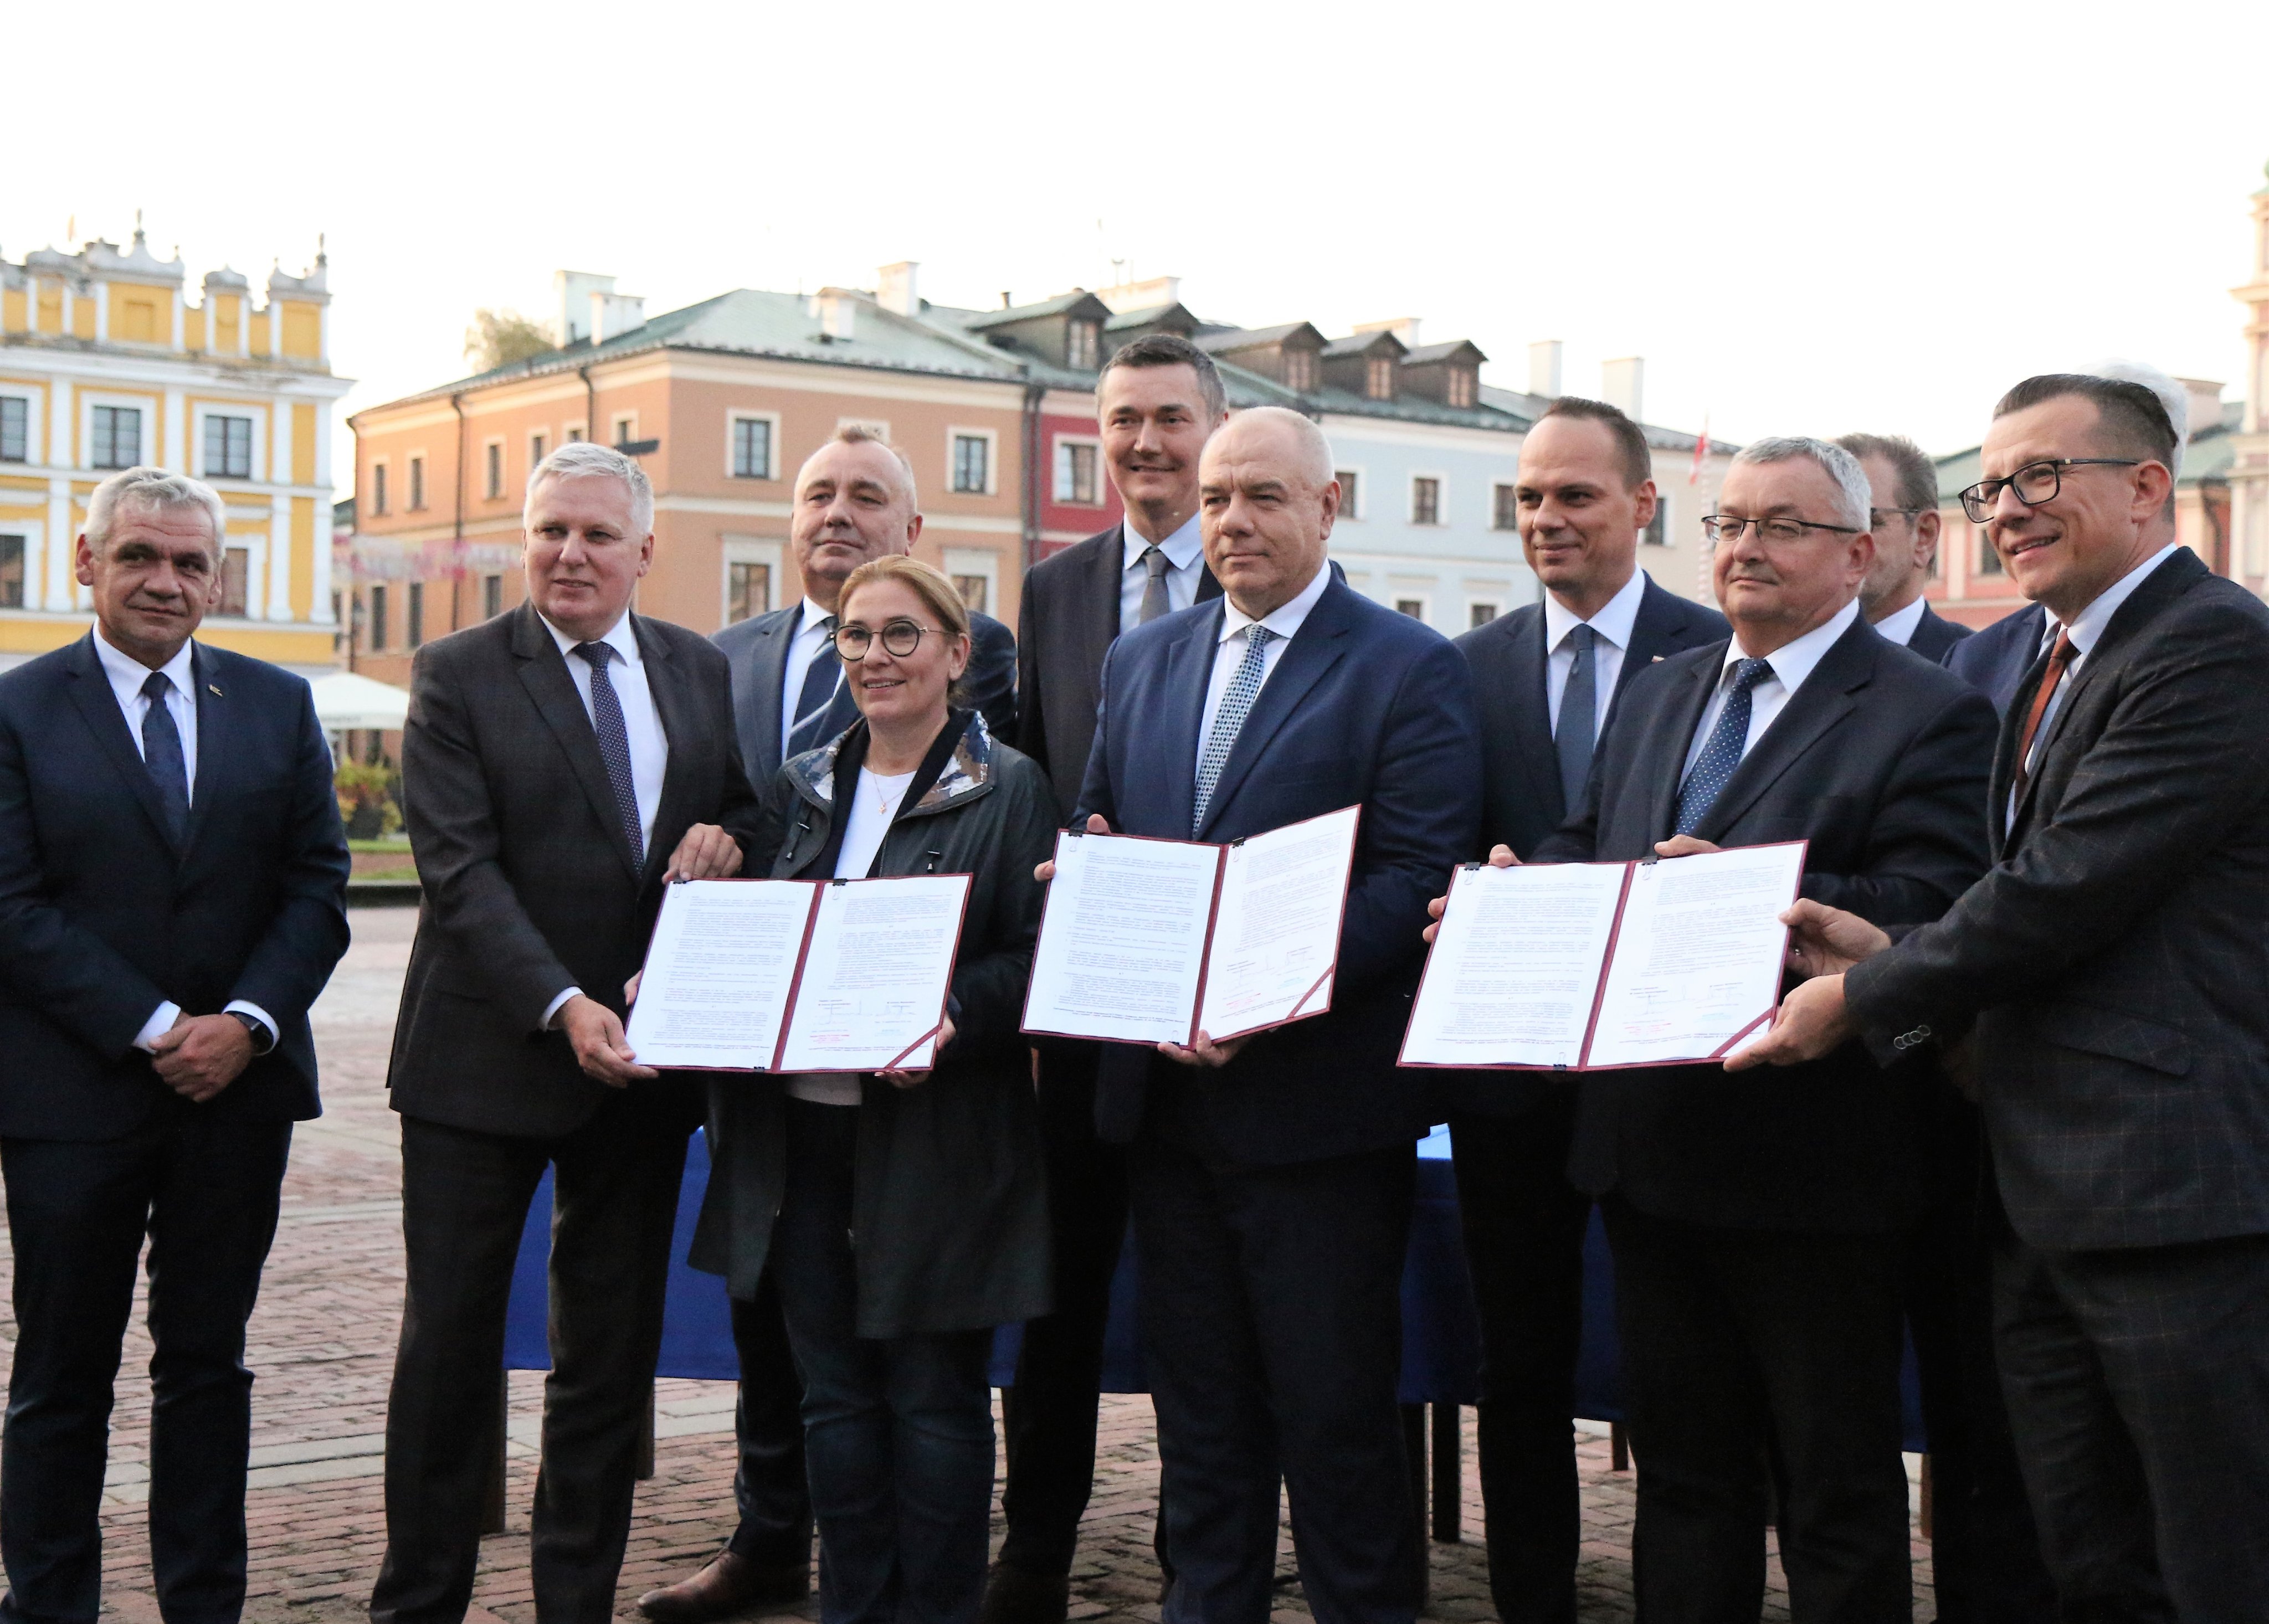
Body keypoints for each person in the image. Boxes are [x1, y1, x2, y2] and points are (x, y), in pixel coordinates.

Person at [1736, 374, 2269, 1623]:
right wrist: (1885, 942)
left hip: (2169, 1199)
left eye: (2040, 477)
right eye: (1991, 487)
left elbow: (2064, 887)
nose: (2008, 511)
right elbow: (2023, 899)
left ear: (2146, 488)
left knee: (2213, 1560)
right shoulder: (2053, 657)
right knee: (2084, 1558)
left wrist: (1867, 991)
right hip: (2044, 1189)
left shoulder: (2209, 646)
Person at [1446, 436, 1998, 1622]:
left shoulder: (1928, 710)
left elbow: (1934, 908)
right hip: (1650, 1150)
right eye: (1729, 524)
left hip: (1815, 1167)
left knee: (1830, 1489)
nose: (1744, 546)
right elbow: (1593, 839)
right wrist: (1511, 884)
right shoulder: (1668, 688)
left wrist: (1748, 894)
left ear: (1857, 556)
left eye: (1781, 526)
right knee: (1684, 1483)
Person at [1062, 407, 1480, 1624]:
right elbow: (1102, 821)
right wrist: (1087, 880)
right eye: (1213, 499)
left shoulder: (1408, 664)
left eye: (1260, 496)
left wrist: (1253, 994)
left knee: (1335, 1419)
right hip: (1166, 1107)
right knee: (1198, 1421)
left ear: (1325, 504)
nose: (1231, 522)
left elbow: (1414, 877)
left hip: (1316, 1117)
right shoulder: (1144, 658)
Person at [371, 443, 766, 1624]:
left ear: (645, 550)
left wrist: (726, 837)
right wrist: (561, 1002)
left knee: (606, 1355)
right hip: (482, 1057)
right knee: (449, 1348)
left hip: (642, 1068)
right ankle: (420, 1599)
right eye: (548, 530)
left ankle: (572, 1600)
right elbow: (458, 869)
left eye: (595, 533)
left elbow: (736, 801)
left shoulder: (696, 668)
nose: (567, 552)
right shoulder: (455, 671)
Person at [646, 425, 1019, 1622]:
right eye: (856, 635)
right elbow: (757, 924)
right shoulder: (801, 784)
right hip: (794, 1133)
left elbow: (1026, 957)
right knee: (832, 1398)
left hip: (934, 1135)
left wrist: (944, 1012)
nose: (873, 654)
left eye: (901, 633)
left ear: (958, 652)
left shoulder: (1008, 786)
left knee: (931, 1397)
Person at [0, 467, 351, 1624]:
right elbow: (12, 905)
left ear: (218, 577)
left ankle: (204, 1601)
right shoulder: (18, 706)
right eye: (141, 555)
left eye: (191, 562)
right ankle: (50, 1603)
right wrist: (158, 1027)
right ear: (86, 564)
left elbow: (317, 887)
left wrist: (244, 1025)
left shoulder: (276, 701)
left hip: (235, 1098)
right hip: (69, 1093)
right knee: (62, 1374)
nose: (166, 580)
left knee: (209, 1365)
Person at [1446, 397, 1726, 1624]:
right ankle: (1530, 1601)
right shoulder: (1465, 666)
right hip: (1508, 1083)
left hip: (1668, 1085)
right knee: (1518, 1369)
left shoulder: (1718, 648)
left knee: (1683, 1373)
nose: (1547, 519)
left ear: (1640, 505)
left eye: (1574, 495)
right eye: (1528, 498)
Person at [990, 333, 1226, 1624]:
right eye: (1124, 419)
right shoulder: (1060, 586)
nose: (1146, 443)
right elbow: (1035, 774)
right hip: (1082, 1011)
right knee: (1059, 1292)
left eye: (1171, 419)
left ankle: (1205, 1547)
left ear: (1217, 429)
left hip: (1218, 1011)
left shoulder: (1268, 576)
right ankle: (1037, 1543)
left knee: (1198, 1299)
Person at [1835, 430, 2051, 1622]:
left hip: (1970, 1112)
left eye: (1861, 513)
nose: (1843, 537)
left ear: (1921, 537)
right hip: (1826, 1127)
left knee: (1986, 1422)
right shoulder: (1731, 683)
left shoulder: (1987, 666)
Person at [1835, 433, 1970, 659]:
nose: (1833, 541)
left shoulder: (1979, 669)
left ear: (1923, 535)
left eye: (1863, 521)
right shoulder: (1766, 664)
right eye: (1817, 525)